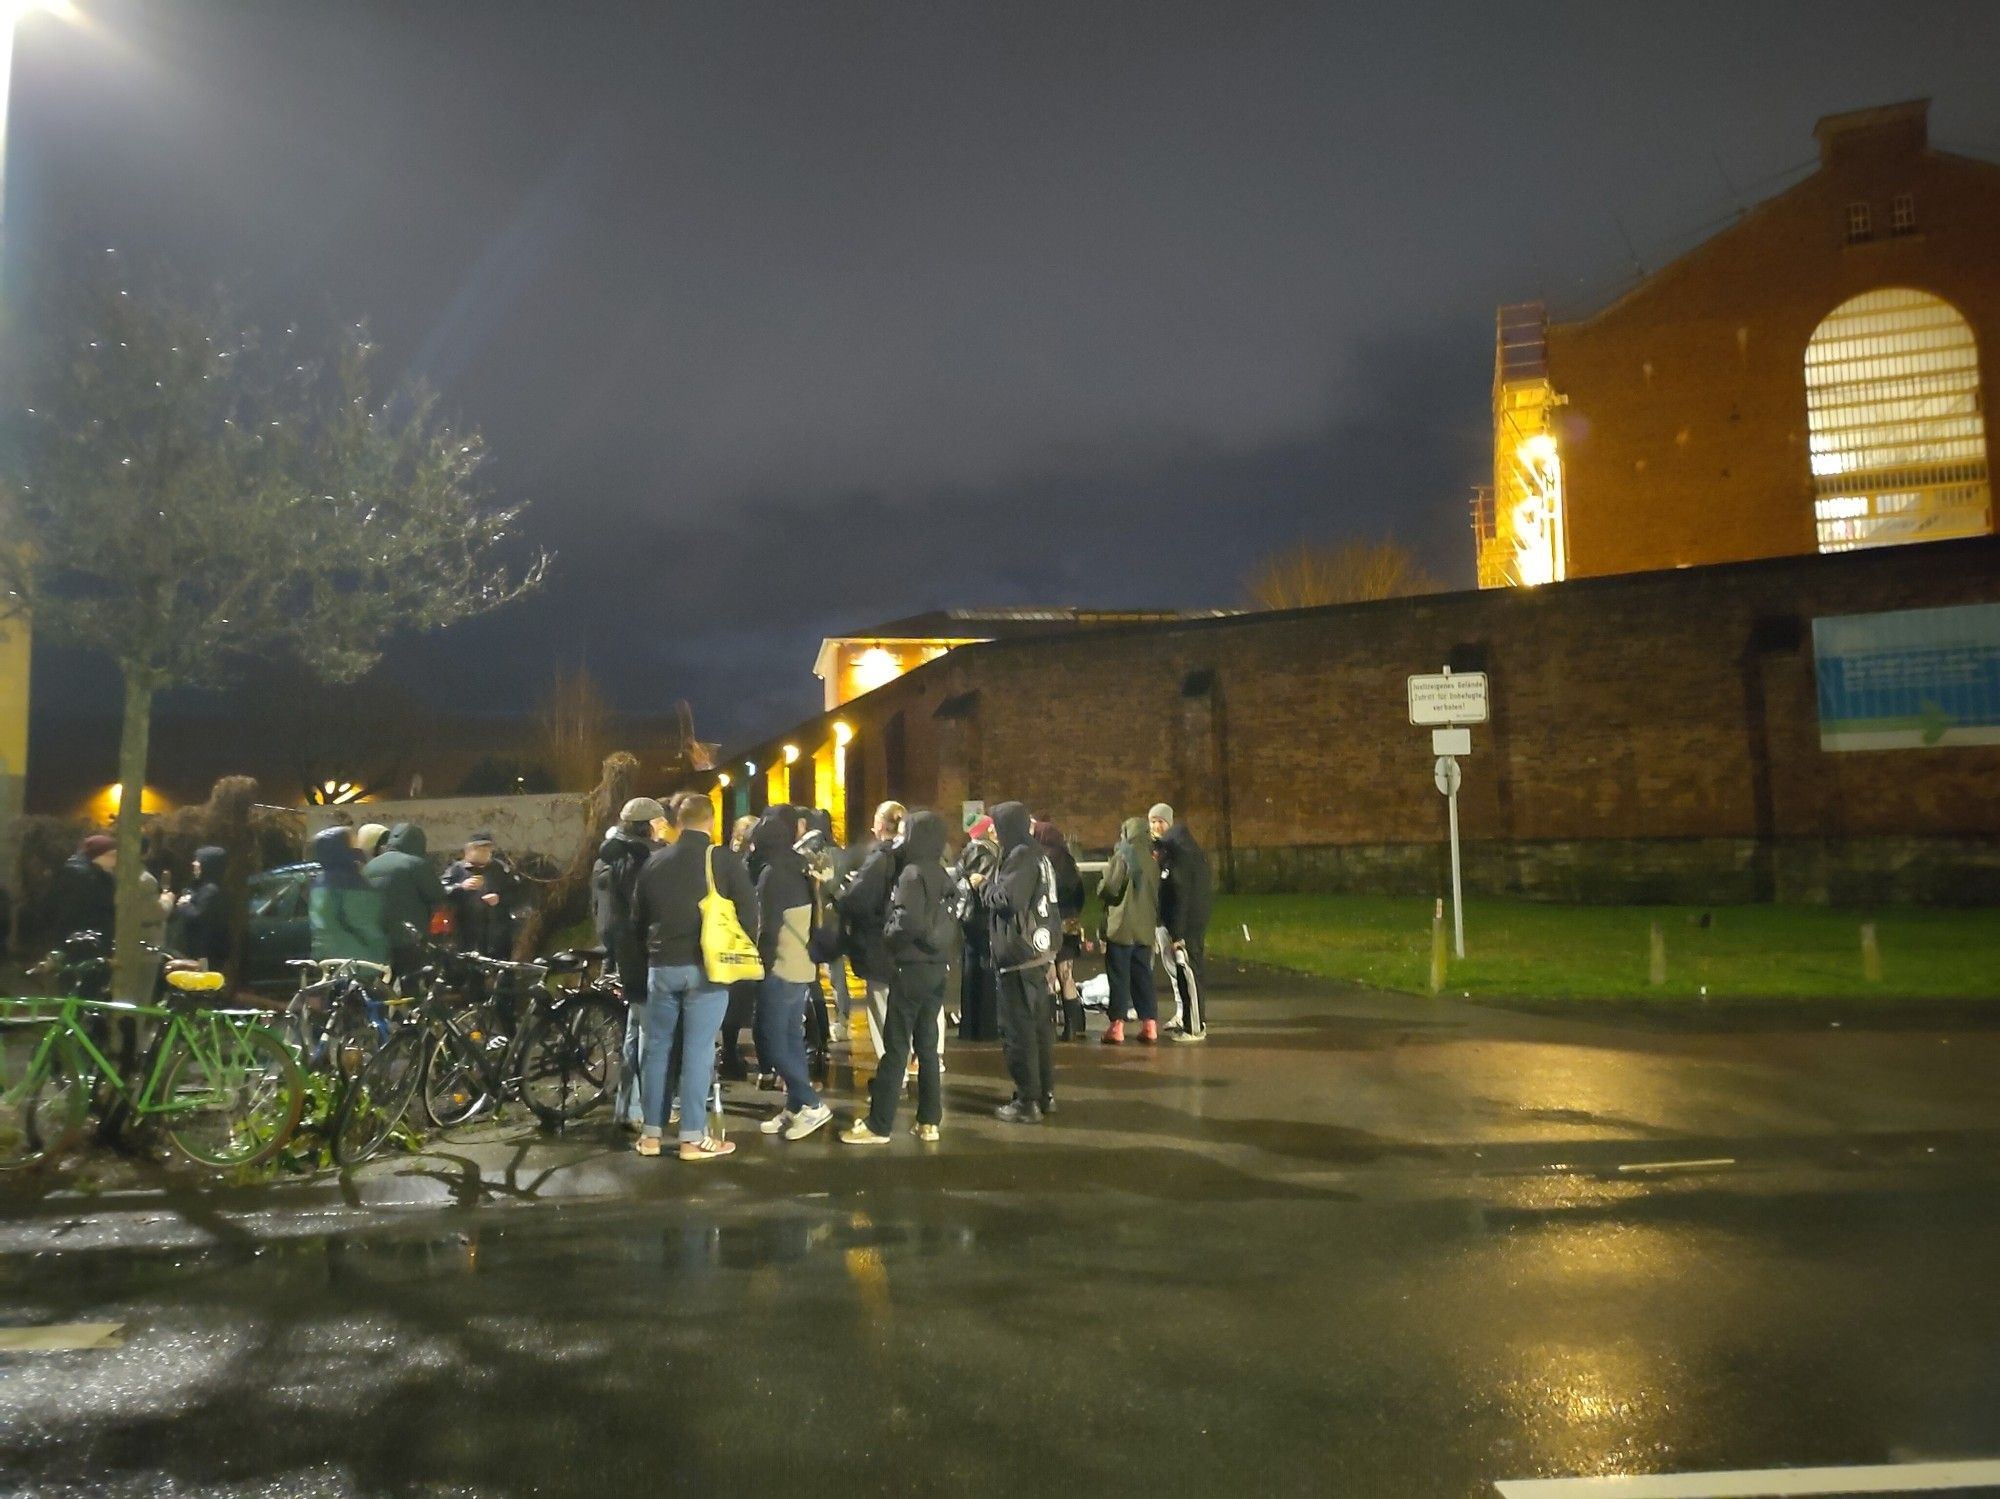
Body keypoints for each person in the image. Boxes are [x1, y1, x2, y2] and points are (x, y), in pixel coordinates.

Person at [628, 792, 750, 1161]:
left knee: (656, 1048)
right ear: (710, 822)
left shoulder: (654, 863)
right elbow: (749, 913)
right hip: (707, 968)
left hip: (661, 967)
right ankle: (691, 1139)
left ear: (677, 822)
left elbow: (637, 921)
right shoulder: (723, 861)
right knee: (698, 1050)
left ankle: (650, 1136)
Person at [842, 809, 955, 1145]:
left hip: (909, 967)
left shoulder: (911, 874)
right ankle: (929, 1121)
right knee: (927, 1046)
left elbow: (906, 921)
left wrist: (889, 936)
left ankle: (879, 1125)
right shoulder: (942, 873)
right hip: (936, 967)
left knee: (895, 1048)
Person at [751, 807, 834, 1140]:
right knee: (790, 1037)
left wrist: (762, 964)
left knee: (771, 1039)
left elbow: (769, 929)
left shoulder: (773, 874)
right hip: (802, 963)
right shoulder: (799, 865)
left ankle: (812, 1104)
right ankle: (797, 1105)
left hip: (781, 965)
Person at [976, 801, 1059, 1124]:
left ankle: (1027, 1100)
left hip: (1019, 955)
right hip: (1035, 953)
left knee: (1019, 1032)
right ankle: (1043, 1092)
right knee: (1038, 1030)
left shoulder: (1020, 856)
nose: (993, 832)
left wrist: (984, 886)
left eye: (996, 825)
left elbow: (1009, 899)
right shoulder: (1037, 854)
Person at [589, 798, 667, 1133]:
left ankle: (626, 1106)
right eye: (661, 822)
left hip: (624, 953)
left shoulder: (611, 856)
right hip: (642, 954)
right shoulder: (638, 859)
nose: (664, 828)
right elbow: (646, 909)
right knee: (651, 1038)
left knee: (635, 1033)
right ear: (647, 825)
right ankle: (643, 1111)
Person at [837, 800, 906, 1075]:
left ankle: (891, 1074)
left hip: (878, 942)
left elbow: (858, 898)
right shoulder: (913, 854)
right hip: (908, 944)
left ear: (880, 824)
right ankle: (910, 1063)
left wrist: (842, 895)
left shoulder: (880, 857)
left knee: (882, 1010)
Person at [1150, 804, 1213, 1040]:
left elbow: (1181, 897)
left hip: (1185, 927)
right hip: (1185, 924)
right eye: (1153, 821)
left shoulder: (1179, 860)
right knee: (1184, 973)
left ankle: (1195, 1027)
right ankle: (1187, 1019)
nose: (1156, 826)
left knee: (1189, 974)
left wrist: (1178, 934)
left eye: (1160, 822)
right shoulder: (1184, 854)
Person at [1099, 816, 1161, 1044]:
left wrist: (1101, 886)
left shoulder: (1123, 855)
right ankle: (1150, 1025)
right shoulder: (1154, 860)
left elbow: (1109, 888)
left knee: (1119, 977)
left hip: (1122, 928)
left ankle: (1117, 1027)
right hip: (1145, 928)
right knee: (1143, 976)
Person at [365, 823, 448, 976]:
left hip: (378, 939)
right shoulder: (416, 864)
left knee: (384, 984)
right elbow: (437, 895)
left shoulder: (370, 866)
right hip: (410, 939)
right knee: (412, 983)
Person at [1033, 818, 1088, 1041]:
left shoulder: (1041, 859)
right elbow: (1080, 893)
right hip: (1070, 921)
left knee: (1049, 976)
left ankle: (1048, 1029)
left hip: (1049, 923)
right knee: (1067, 976)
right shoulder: (1069, 860)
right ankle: (1072, 1028)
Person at [307, 825, 392, 966]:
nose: (358, 848)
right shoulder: (352, 883)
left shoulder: (320, 882)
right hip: (359, 960)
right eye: (352, 843)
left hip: (328, 957)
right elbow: (363, 923)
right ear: (341, 849)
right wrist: (382, 951)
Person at [952, 815, 1000, 1040]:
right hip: (983, 918)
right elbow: (986, 887)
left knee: (971, 969)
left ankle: (969, 1025)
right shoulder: (986, 852)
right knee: (986, 970)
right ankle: (985, 1026)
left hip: (969, 918)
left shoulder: (968, 851)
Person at [721, 814, 761, 1082]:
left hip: (731, 934)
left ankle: (729, 1050)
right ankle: (730, 1053)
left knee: (735, 999)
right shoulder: (747, 863)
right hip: (740, 936)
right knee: (738, 998)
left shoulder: (730, 860)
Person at [443, 832, 521, 959]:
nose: (484, 852)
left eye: (488, 849)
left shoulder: (500, 868)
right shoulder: (456, 869)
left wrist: (499, 898)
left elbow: (517, 892)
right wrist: (461, 887)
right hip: (467, 931)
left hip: (497, 932)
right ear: (468, 850)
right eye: (479, 849)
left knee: (502, 969)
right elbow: (441, 890)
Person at [169, 845, 234, 972]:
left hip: (204, 952)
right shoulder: (205, 887)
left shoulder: (210, 890)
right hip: (204, 951)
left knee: (201, 982)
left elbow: (199, 915)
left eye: (198, 861)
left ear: (208, 865)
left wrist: (184, 905)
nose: (194, 864)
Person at [49, 834, 118, 941]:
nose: (115, 860)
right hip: (84, 936)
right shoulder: (85, 876)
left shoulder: (98, 874)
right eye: (112, 855)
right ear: (99, 855)